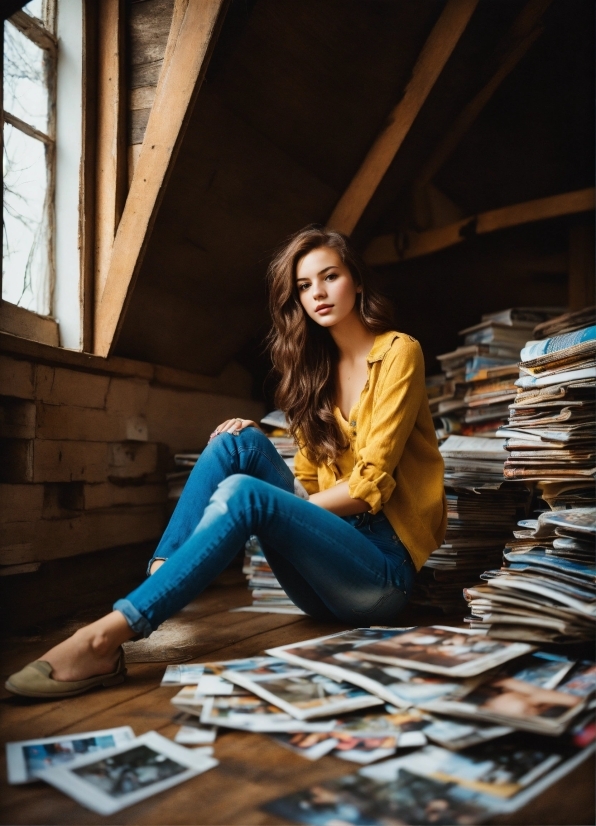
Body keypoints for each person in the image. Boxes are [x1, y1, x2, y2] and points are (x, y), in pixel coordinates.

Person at [6, 226, 446, 699]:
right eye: (303, 286)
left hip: (379, 579)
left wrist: (273, 509)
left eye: (330, 276)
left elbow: (366, 489)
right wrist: (278, 499)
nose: (317, 293)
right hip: (323, 578)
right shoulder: (314, 371)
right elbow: (302, 480)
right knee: (236, 443)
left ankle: (104, 638)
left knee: (246, 495)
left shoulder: (400, 352)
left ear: (356, 282)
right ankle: (162, 581)